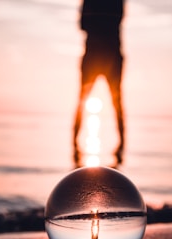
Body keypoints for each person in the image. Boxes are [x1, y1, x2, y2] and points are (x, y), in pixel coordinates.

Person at [73, 0, 125, 165]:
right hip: (107, 53)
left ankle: (75, 145)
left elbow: (83, 25)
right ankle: (121, 147)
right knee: (115, 103)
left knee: (86, 100)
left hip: (99, 54)